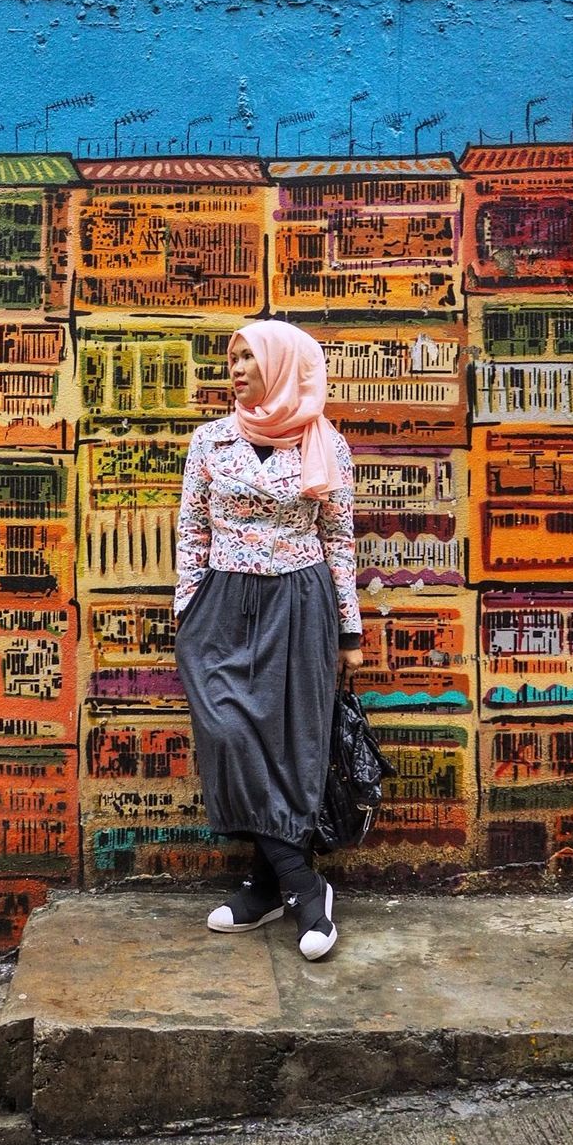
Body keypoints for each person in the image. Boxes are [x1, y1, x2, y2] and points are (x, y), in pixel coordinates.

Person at [173, 320, 363, 961]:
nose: (236, 367)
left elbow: (339, 538)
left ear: (283, 365)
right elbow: (193, 531)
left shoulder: (323, 441)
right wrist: (189, 614)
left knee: (286, 745)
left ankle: (262, 887)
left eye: (248, 357)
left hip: (299, 602)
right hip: (222, 606)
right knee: (230, 735)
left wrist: (348, 627)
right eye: (231, 357)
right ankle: (307, 888)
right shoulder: (210, 441)